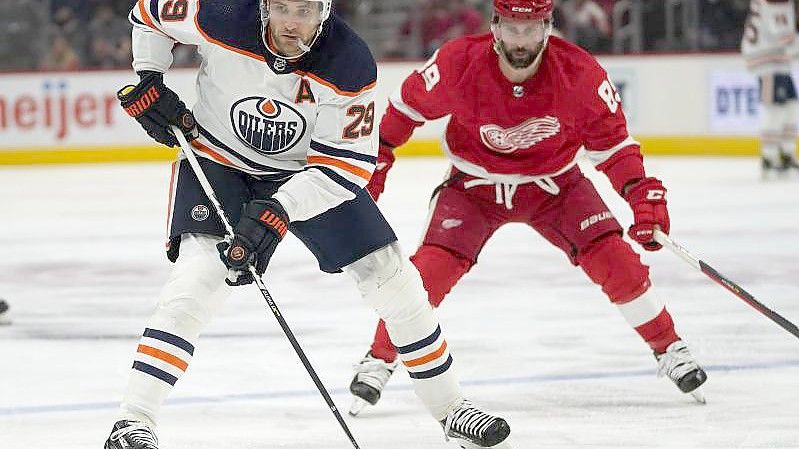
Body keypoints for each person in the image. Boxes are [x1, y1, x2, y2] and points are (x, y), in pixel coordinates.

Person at [104, 1, 510, 448]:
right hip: (218, 159)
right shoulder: (219, 13)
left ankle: (451, 409)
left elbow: (346, 168)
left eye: (304, 10)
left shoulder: (347, 62)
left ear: (324, 10)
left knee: (393, 278)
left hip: (309, 174)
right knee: (196, 281)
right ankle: (133, 420)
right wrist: (150, 76)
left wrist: (280, 208)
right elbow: (149, 13)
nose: (291, 22)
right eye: (281, 7)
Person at [348, 0, 708, 415]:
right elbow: (402, 111)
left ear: (548, 27)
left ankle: (670, 347)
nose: (523, 40)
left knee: (617, 262)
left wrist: (640, 193)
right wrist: (377, 158)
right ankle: (380, 357)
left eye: (533, 28)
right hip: (473, 188)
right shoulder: (457, 63)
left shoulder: (580, 74)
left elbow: (614, 147)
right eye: (514, 28)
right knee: (427, 273)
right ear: (496, 27)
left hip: (555, 187)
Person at [741, 0, 799, 176]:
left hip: (776, 58)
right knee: (775, 108)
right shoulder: (777, 2)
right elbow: (783, 34)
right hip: (767, 59)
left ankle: (785, 153)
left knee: (790, 106)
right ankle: (769, 157)